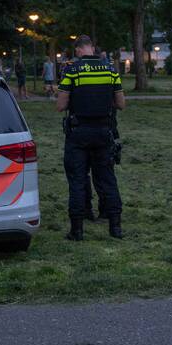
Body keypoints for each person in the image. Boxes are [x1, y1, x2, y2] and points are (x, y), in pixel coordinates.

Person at [57, 35, 125, 241]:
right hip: (104, 132)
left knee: (77, 180)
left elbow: (60, 106)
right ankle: (115, 227)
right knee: (107, 179)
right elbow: (121, 104)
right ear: (93, 49)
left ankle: (77, 230)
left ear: (78, 50)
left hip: (78, 133)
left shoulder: (71, 70)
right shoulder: (110, 69)